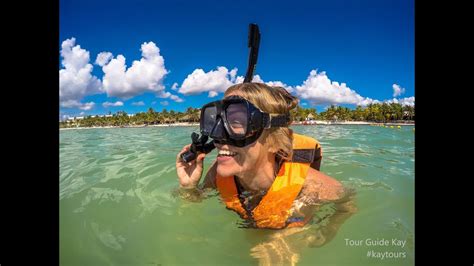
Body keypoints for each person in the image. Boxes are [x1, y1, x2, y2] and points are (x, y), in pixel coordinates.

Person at [176, 82, 356, 264]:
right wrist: (189, 187)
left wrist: (321, 234)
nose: (218, 136)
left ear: (275, 142)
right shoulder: (219, 174)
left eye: (237, 122)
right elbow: (193, 203)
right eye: (215, 122)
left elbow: (348, 201)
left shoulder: (310, 186)